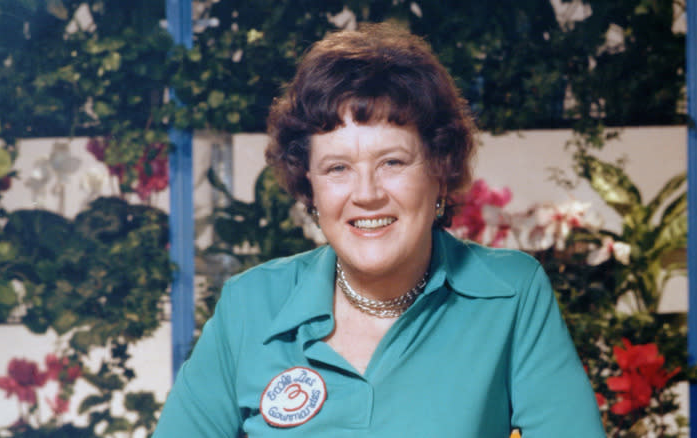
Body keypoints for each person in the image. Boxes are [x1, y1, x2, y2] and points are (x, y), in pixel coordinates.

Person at [154, 23, 605, 437]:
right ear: (308, 185)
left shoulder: (510, 294)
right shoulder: (249, 305)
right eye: (337, 168)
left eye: (392, 162)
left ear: (440, 168)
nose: (366, 193)